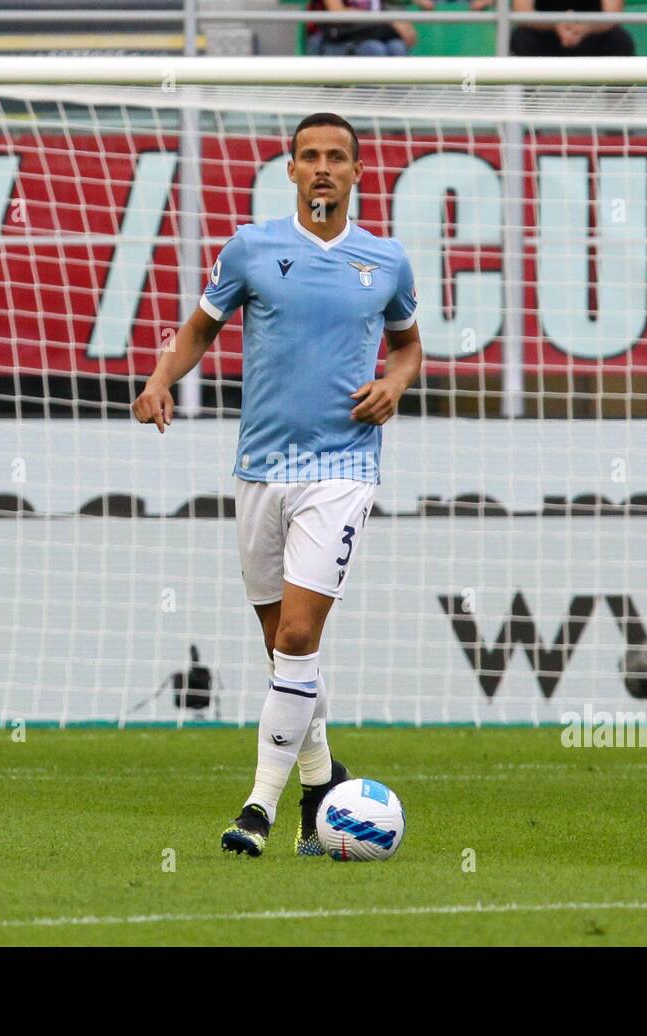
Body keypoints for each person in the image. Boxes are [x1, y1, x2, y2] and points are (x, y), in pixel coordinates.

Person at [132, 113, 423, 857]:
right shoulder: (251, 250)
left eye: (337, 158)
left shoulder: (385, 261)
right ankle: (324, 786)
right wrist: (162, 379)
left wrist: (395, 382)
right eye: (309, 157)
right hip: (259, 471)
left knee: (298, 636)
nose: (322, 168)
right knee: (284, 653)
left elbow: (409, 345)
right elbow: (199, 328)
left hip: (342, 469)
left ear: (359, 172)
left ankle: (258, 808)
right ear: (289, 170)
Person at [473, 0, 636, 57]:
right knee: (521, 38)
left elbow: (613, 14)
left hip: (593, 34)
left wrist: (586, 28)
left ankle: (619, 128)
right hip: (543, 33)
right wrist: (557, 23)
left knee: (619, 40)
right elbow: (522, 11)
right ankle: (526, 126)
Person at [306, 0, 435, 57]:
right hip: (332, 39)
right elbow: (338, 12)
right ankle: (366, 112)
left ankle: (395, 111)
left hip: (370, 35)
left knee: (397, 47)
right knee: (374, 49)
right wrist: (390, 21)